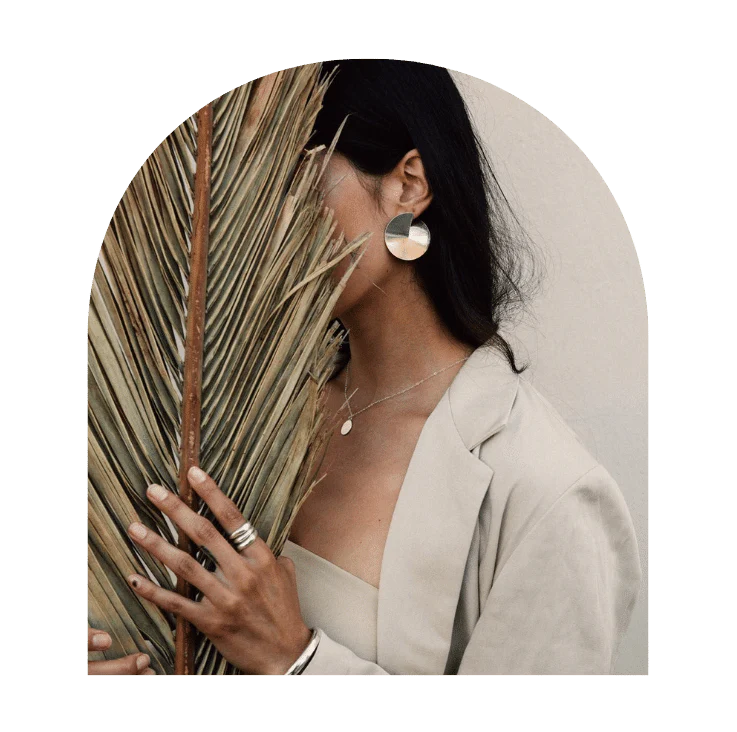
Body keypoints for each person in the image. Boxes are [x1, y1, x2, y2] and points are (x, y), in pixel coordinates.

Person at [86, 59, 642, 676]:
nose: (259, 230)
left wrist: (297, 659)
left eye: (290, 183)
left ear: (408, 185)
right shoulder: (249, 405)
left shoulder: (549, 495)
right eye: (250, 194)